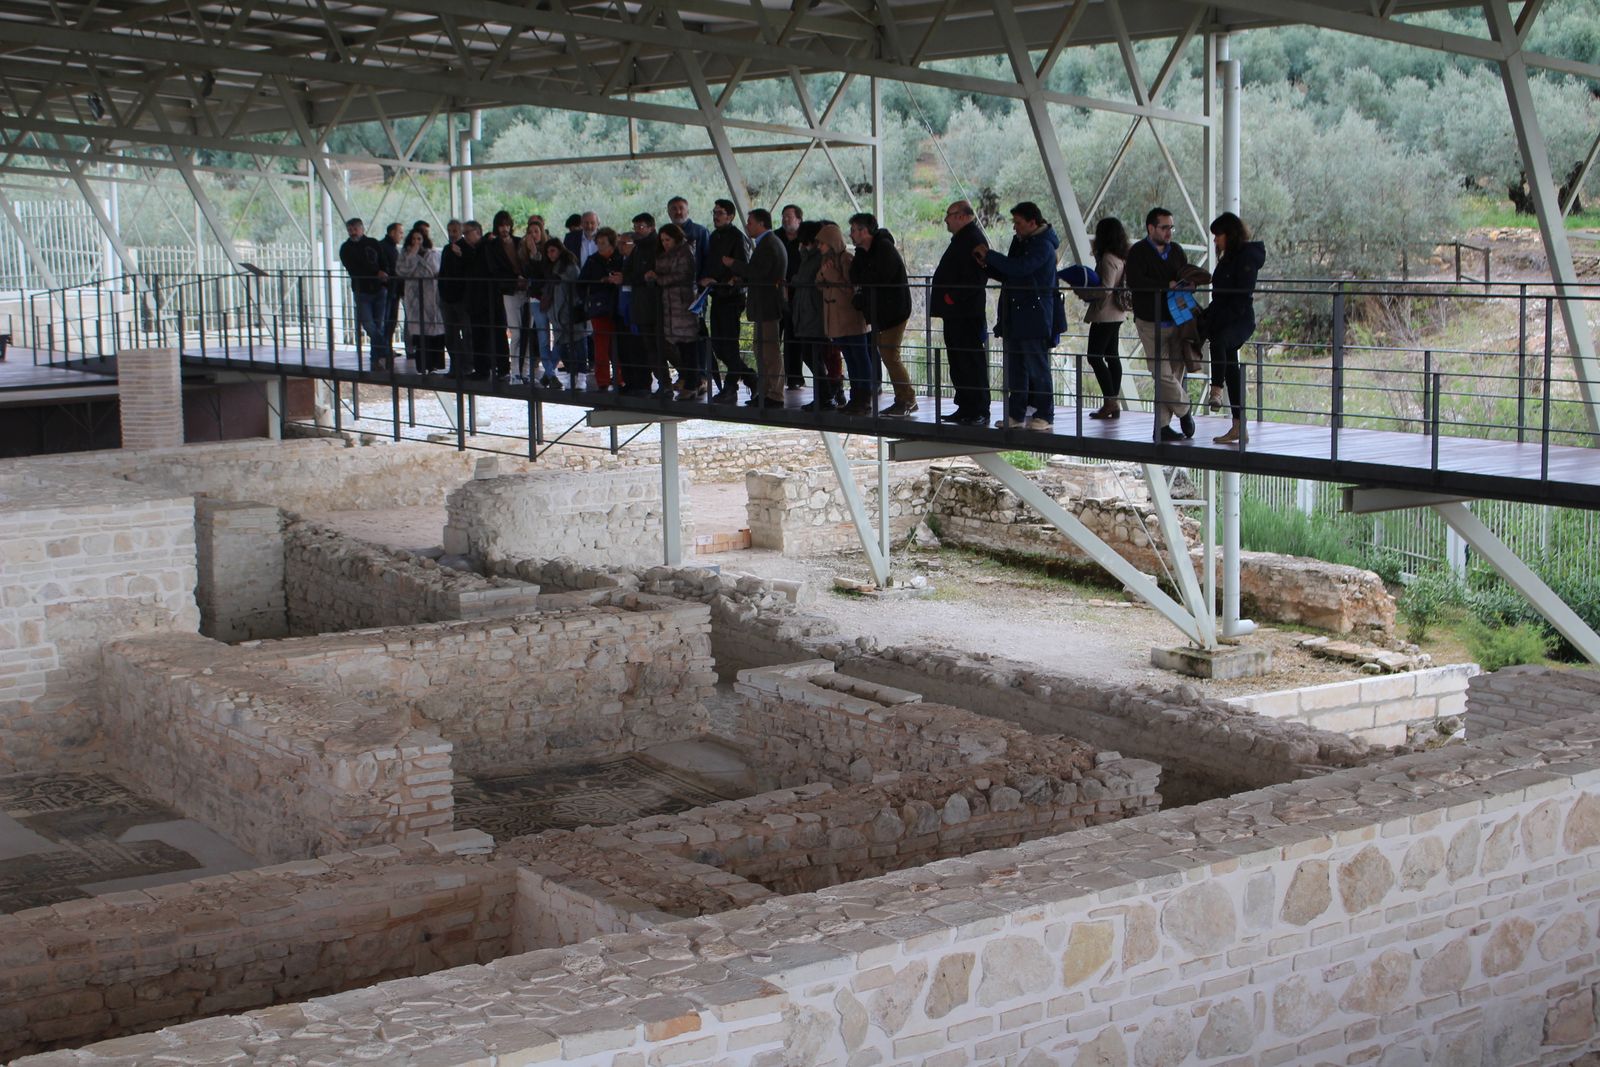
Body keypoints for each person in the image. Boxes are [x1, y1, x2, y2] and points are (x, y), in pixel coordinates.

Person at [975, 201, 1061, 431]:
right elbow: (1011, 272)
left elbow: (1020, 269)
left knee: (1037, 367)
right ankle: (1016, 413)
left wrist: (991, 256)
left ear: (1032, 223)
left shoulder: (1042, 246)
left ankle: (1045, 414)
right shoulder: (1025, 242)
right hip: (1016, 313)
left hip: (1034, 315)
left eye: (1018, 223)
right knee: (1016, 367)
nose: (1015, 227)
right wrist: (987, 265)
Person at [1125, 207, 1206, 441]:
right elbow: (1136, 282)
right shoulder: (1138, 252)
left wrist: (1190, 284)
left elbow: (1183, 275)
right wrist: (1166, 284)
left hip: (1177, 318)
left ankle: (1161, 426)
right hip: (1151, 320)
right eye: (1164, 227)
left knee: (1176, 373)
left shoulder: (1177, 251)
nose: (1169, 231)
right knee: (1160, 372)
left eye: (1171, 227)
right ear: (1151, 228)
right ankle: (1184, 408)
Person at [1203, 212, 1266, 445]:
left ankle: (1216, 390)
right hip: (1227, 317)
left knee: (1220, 343)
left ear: (1229, 234)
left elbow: (1239, 297)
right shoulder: (1229, 258)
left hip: (1239, 319)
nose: (1215, 240)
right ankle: (1239, 426)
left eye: (1218, 235)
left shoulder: (1245, 258)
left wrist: (1216, 317)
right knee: (1232, 369)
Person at [848, 213, 916, 417]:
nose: (851, 234)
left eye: (853, 230)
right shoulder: (864, 252)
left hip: (893, 311)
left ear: (864, 231)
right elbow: (855, 275)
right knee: (887, 354)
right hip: (879, 312)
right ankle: (904, 398)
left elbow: (878, 277)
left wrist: (864, 280)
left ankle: (907, 399)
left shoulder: (884, 249)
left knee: (889, 354)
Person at [929, 199, 990, 425]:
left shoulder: (972, 239)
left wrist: (953, 296)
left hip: (965, 311)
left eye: (950, 214)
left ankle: (979, 409)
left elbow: (977, 276)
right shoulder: (963, 239)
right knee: (958, 359)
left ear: (963, 216)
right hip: (955, 311)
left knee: (970, 359)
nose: (946, 219)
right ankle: (965, 406)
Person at [724, 207, 787, 408]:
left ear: (761, 224)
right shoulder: (768, 243)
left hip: (768, 304)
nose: (747, 225)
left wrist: (734, 264)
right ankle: (766, 392)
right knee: (762, 349)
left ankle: (774, 394)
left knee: (769, 350)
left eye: (750, 222)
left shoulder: (769, 244)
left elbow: (758, 271)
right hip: (764, 304)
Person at [817, 221, 874, 415]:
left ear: (831, 242)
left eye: (822, 243)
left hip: (850, 318)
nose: (819, 247)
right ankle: (855, 397)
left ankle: (864, 397)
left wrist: (830, 273)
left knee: (860, 357)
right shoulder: (827, 261)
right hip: (837, 320)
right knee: (850, 358)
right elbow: (819, 282)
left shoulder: (846, 260)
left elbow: (849, 287)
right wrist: (825, 272)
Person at [701, 199, 753, 403]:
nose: (716, 216)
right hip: (717, 295)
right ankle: (750, 377)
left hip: (731, 297)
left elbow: (742, 268)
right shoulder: (714, 237)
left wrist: (723, 281)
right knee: (719, 346)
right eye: (714, 212)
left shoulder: (736, 238)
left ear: (730, 216)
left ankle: (732, 386)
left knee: (729, 345)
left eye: (720, 212)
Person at [789, 220, 842, 411]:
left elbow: (804, 279)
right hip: (806, 312)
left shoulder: (817, 258)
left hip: (813, 313)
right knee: (811, 355)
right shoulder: (809, 257)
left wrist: (794, 280)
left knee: (812, 356)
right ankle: (825, 395)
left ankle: (825, 396)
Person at [647, 223, 704, 399]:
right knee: (679, 345)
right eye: (662, 240)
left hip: (682, 304)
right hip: (670, 306)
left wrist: (659, 278)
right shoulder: (664, 254)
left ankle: (693, 382)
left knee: (688, 347)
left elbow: (684, 275)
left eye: (668, 240)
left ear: (676, 238)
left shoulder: (685, 252)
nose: (665, 243)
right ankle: (689, 380)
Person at [1084, 216, 1131, 420]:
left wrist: (1086, 292)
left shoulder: (1108, 258)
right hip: (1118, 313)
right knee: (1111, 355)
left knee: (1094, 356)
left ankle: (1110, 401)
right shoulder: (1121, 256)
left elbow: (1106, 288)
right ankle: (1113, 402)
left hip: (1105, 313)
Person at [337, 218, 392, 369]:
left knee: (378, 324)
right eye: (350, 230)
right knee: (369, 325)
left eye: (355, 229)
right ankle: (385, 349)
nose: (352, 232)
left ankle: (376, 358)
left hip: (379, 289)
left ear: (362, 229)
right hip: (362, 290)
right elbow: (354, 268)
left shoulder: (373, 243)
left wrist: (384, 273)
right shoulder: (346, 249)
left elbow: (383, 260)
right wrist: (377, 272)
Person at [621, 212, 666, 394]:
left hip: (655, 304)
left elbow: (653, 273)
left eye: (641, 227)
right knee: (648, 347)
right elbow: (628, 273)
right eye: (636, 227)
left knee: (659, 347)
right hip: (640, 304)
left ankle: (667, 383)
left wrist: (639, 277)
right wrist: (640, 277)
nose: (638, 230)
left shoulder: (657, 247)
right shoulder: (638, 249)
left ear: (651, 227)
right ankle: (661, 383)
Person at [578, 227, 626, 390]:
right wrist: (601, 282)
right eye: (598, 243)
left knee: (618, 345)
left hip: (618, 306)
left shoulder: (621, 258)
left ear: (612, 243)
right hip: (600, 308)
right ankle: (603, 381)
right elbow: (581, 284)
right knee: (601, 345)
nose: (600, 246)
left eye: (603, 243)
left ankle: (620, 378)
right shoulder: (592, 261)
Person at [540, 238, 589, 390]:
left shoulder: (569, 267)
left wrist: (572, 307)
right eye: (548, 252)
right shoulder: (551, 269)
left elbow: (576, 290)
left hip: (571, 312)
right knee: (563, 345)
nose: (550, 254)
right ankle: (571, 374)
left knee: (578, 343)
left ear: (560, 250)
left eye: (553, 250)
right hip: (557, 314)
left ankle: (580, 376)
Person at [396, 228, 445, 372]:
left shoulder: (434, 254)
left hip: (433, 295)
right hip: (415, 296)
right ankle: (423, 365)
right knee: (420, 332)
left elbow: (438, 270)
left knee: (435, 331)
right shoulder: (405, 255)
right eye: (414, 239)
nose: (416, 242)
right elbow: (401, 271)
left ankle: (436, 364)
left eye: (419, 239)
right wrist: (412, 255)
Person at [482, 210, 523, 381]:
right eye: (501, 226)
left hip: (524, 288)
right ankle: (512, 368)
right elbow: (494, 269)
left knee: (524, 331)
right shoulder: (492, 246)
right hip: (507, 290)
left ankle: (522, 368)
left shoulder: (519, 242)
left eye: (507, 225)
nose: (505, 229)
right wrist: (515, 279)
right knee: (514, 331)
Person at [522, 216, 555, 384]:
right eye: (530, 232)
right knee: (542, 337)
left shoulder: (551, 249)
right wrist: (532, 253)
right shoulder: (525, 253)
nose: (534, 235)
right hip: (536, 298)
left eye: (536, 231)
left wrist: (537, 253)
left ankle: (550, 371)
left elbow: (546, 271)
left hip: (552, 297)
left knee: (559, 337)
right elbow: (529, 273)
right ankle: (550, 373)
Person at [437, 219, 472, 376]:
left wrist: (460, 256)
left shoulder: (467, 248)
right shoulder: (446, 249)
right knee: (451, 335)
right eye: (450, 231)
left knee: (466, 333)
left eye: (455, 231)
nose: (452, 234)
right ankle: (455, 366)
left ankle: (467, 366)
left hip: (462, 298)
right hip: (447, 297)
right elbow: (443, 271)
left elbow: (468, 270)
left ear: (461, 232)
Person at [779, 204, 807, 389]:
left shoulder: (806, 239)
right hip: (779, 291)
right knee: (774, 336)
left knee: (794, 337)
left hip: (800, 293)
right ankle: (776, 378)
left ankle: (795, 377)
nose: (785, 220)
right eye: (783, 216)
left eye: (789, 216)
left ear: (799, 219)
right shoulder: (776, 237)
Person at [379, 222, 403, 362]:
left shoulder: (388, 247)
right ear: (392, 232)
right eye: (400, 232)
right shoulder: (387, 248)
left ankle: (386, 348)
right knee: (388, 320)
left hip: (392, 288)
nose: (401, 235)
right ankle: (385, 348)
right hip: (390, 289)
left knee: (390, 320)